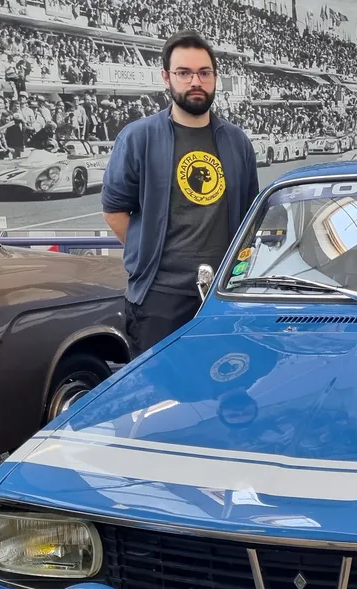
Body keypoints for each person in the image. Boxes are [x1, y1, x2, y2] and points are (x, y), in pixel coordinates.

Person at [101, 30, 260, 354]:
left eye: (204, 73)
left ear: (215, 77)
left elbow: (249, 217)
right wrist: (146, 255)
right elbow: (114, 211)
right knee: (161, 387)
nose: (195, 82)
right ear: (166, 77)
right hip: (159, 300)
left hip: (223, 297)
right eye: (184, 73)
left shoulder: (237, 142)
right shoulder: (138, 138)